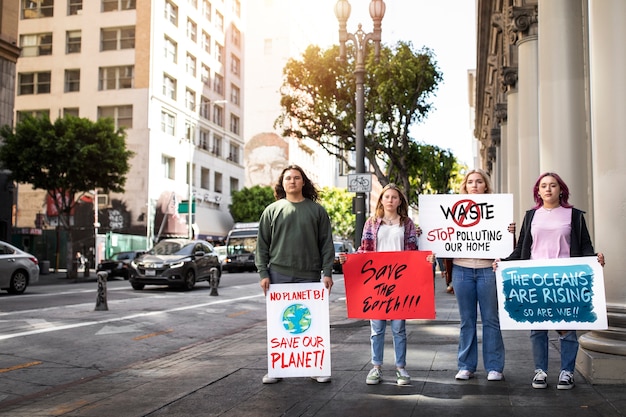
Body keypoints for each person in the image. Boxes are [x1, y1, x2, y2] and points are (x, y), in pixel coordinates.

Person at [494, 172, 605, 390]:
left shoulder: (574, 215)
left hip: (566, 279)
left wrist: (595, 259)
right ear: (538, 191)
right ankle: (540, 371)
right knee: (538, 327)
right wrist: (504, 262)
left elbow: (585, 247)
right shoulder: (531, 216)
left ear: (561, 189)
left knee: (566, 326)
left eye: (553, 185)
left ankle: (567, 372)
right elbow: (522, 248)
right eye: (543, 186)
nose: (548, 189)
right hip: (536, 278)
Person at [255, 164, 335, 385]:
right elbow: (262, 245)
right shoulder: (271, 210)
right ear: (282, 183)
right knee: (279, 324)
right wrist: (263, 273)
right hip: (278, 274)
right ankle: (276, 368)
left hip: (309, 274)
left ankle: (315, 368)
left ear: (303, 182)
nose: (292, 181)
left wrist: (327, 272)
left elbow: (326, 244)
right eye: (288, 178)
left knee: (312, 323)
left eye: (297, 178)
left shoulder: (317, 211)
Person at [354, 183, 434, 386]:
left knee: (399, 327)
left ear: (400, 201)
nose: (390, 200)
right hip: (377, 281)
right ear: (381, 199)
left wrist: (425, 261)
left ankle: (401, 368)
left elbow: (413, 250)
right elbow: (364, 249)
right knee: (377, 328)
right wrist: (352, 260)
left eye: (394, 197)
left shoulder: (407, 224)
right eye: (387, 196)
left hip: (400, 281)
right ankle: (376, 367)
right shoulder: (371, 223)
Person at [450, 169, 511, 382]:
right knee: (466, 320)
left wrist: (509, 230)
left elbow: (506, 241)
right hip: (461, 269)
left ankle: (494, 367)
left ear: (485, 186)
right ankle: (466, 365)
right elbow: (440, 236)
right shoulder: (451, 210)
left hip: (488, 269)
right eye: (470, 182)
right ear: (465, 186)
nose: (474, 185)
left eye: (478, 182)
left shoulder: (499, 209)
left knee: (490, 319)